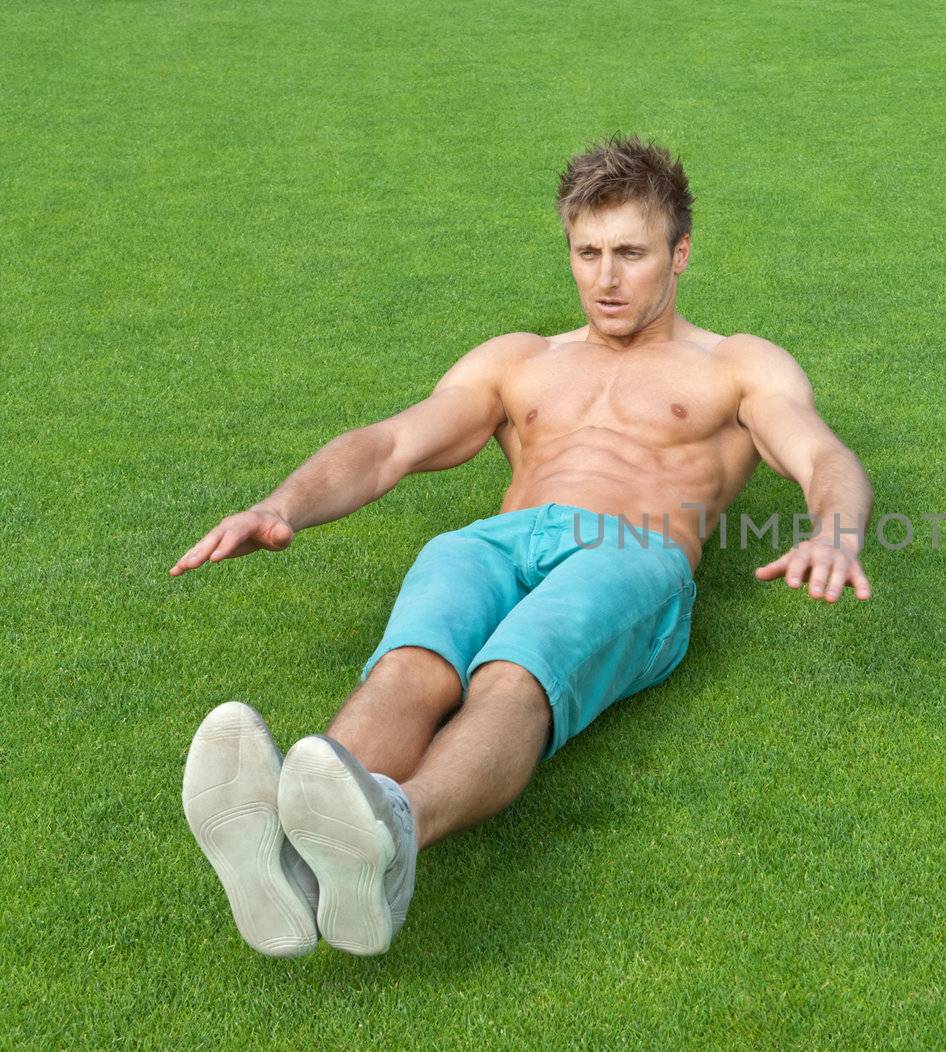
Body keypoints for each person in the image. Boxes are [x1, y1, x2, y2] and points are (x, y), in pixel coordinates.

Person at [171, 135, 873, 957]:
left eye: (631, 254)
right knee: (413, 664)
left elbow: (822, 455)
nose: (606, 278)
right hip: (493, 543)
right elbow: (391, 444)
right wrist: (282, 503)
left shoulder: (736, 365)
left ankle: (397, 828)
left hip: (632, 551)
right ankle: (289, 858)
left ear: (681, 254)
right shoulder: (520, 361)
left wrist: (836, 529)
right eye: (588, 253)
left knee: (511, 673)